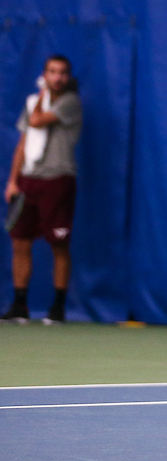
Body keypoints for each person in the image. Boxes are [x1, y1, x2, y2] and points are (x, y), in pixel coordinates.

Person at [2, 55, 83, 324]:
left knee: (59, 245)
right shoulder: (33, 103)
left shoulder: (69, 103)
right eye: (52, 72)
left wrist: (41, 93)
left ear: (68, 77)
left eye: (62, 73)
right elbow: (24, 142)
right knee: (20, 242)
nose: (57, 77)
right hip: (28, 181)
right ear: (44, 73)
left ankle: (58, 308)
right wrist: (13, 180)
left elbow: (37, 120)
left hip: (58, 181)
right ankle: (20, 306)